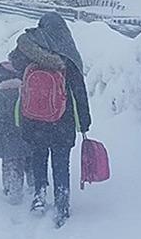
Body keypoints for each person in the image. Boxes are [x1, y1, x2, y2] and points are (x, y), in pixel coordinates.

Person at [8, 13, 91, 227]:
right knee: (61, 162)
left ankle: (39, 195)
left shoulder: (30, 51)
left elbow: (13, 62)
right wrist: (84, 122)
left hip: (34, 119)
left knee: (39, 156)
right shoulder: (68, 55)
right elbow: (79, 92)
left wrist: (30, 46)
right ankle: (62, 202)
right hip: (63, 120)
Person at [0, 61, 35, 204]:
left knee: (11, 163)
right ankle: (33, 185)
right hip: (27, 133)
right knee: (29, 160)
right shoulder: (25, 89)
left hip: (8, 135)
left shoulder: (0, 93)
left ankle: (12, 190)